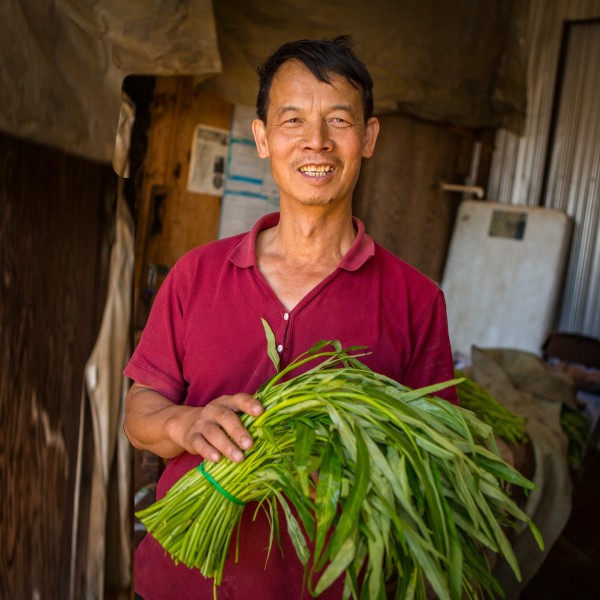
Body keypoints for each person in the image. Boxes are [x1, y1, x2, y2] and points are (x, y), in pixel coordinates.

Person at [123, 35, 457, 600]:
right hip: (176, 585)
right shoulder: (196, 273)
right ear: (262, 137)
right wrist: (185, 424)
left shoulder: (415, 299)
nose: (316, 143)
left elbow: (436, 465)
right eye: (293, 120)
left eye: (339, 122)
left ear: (369, 137)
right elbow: (139, 415)